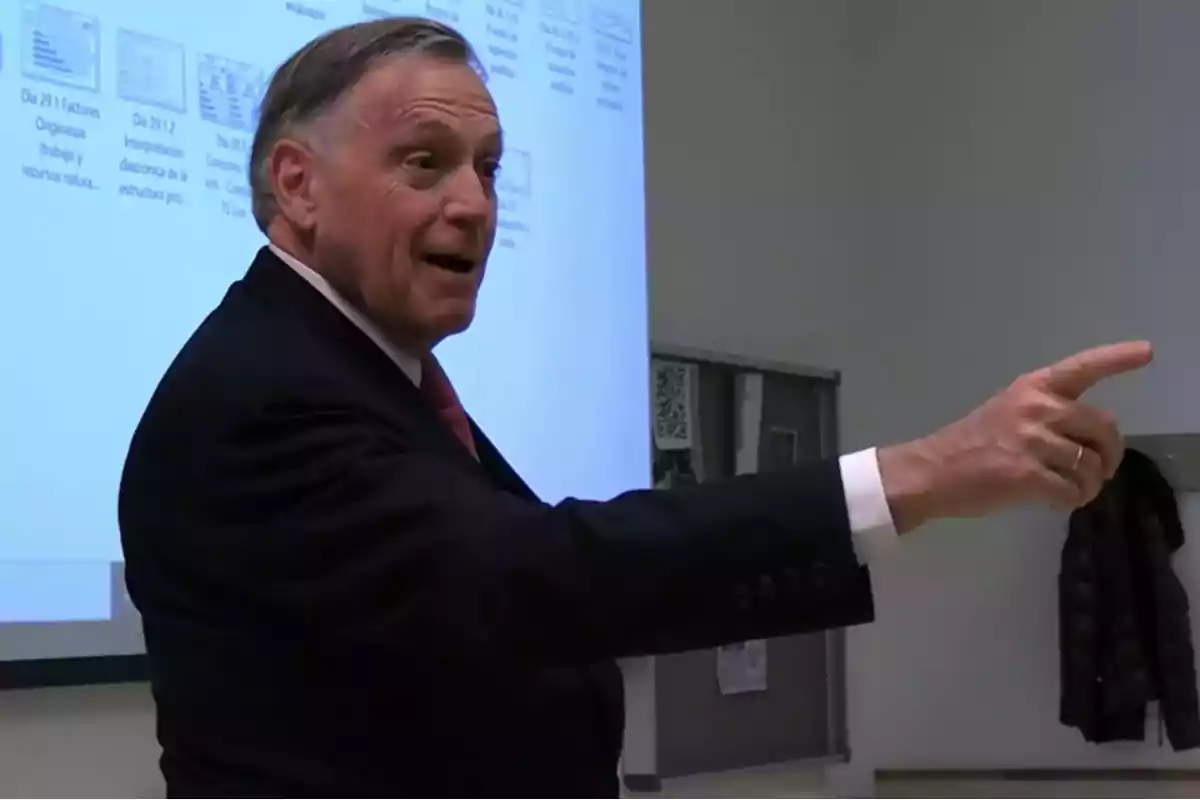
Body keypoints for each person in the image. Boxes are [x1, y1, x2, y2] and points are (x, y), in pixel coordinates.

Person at [117, 16, 1152, 798]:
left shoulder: (374, 381)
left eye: (488, 168)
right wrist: (917, 473)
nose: (474, 203)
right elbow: (541, 576)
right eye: (424, 163)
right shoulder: (258, 396)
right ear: (296, 185)